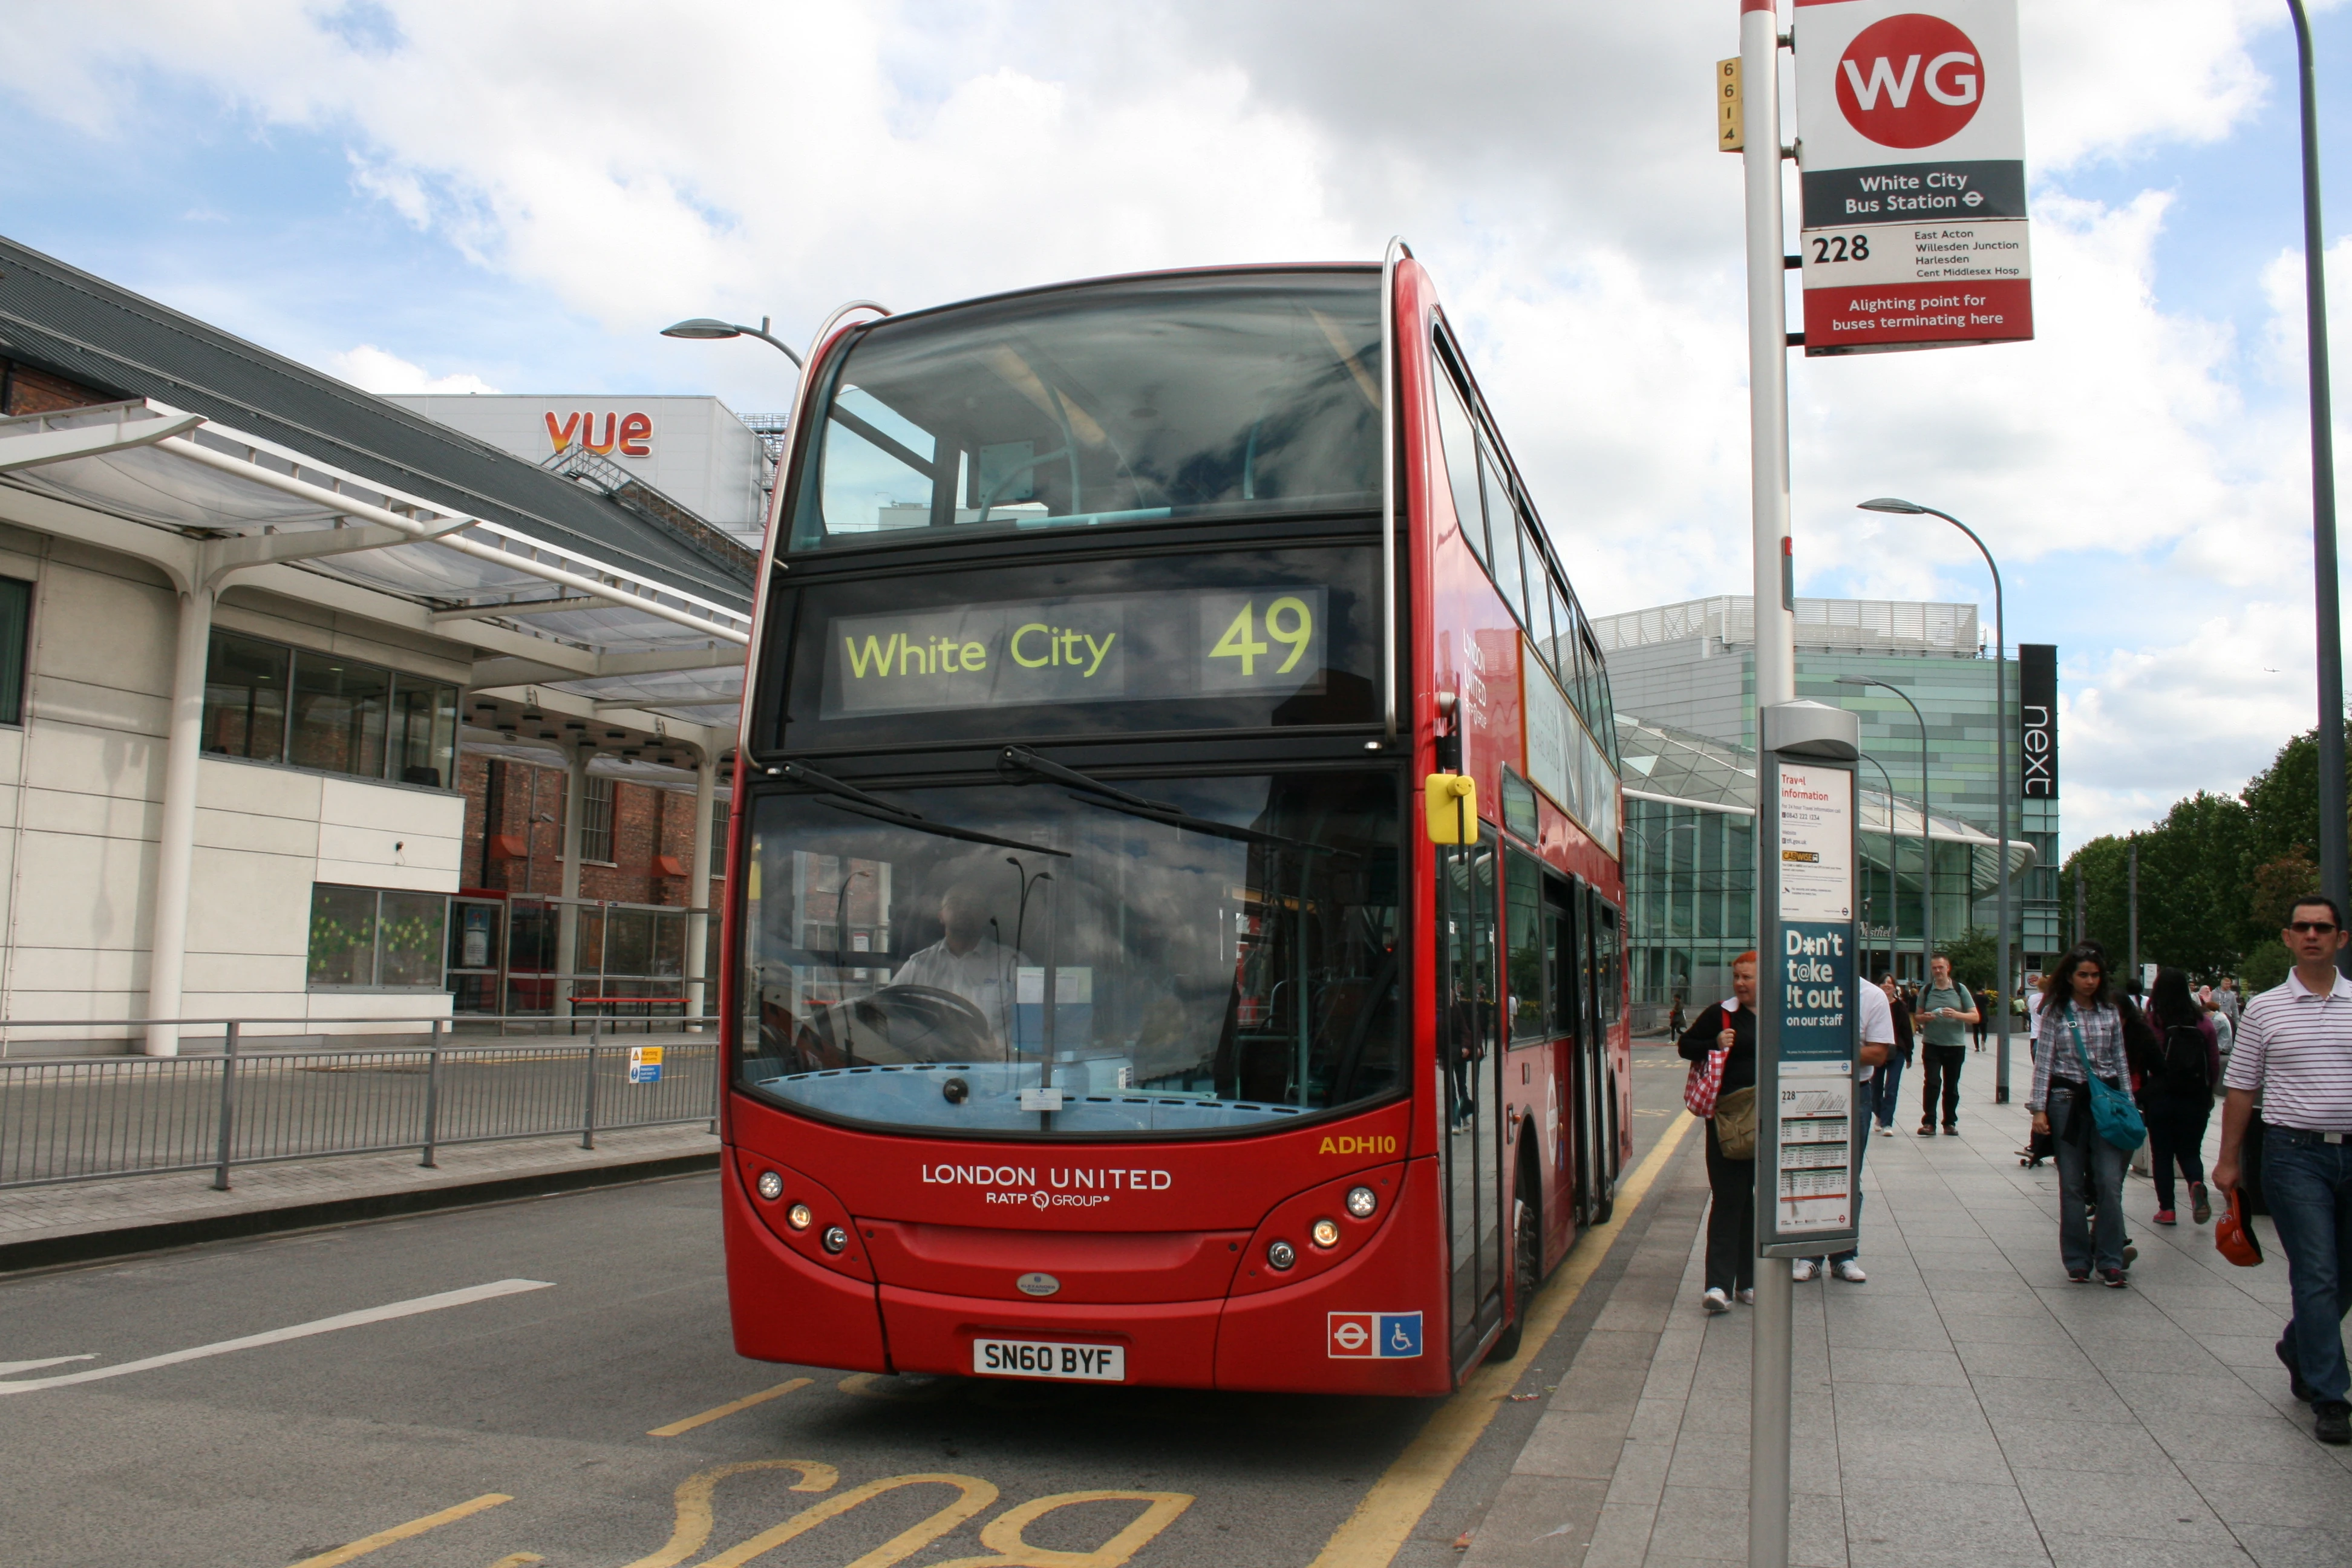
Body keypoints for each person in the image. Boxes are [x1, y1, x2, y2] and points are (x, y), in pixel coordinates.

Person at [2213, 895, 2352, 1447]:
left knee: (2346, 1274)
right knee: (2316, 1270)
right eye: (2303, 927)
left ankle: (2299, 1346)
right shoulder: (2266, 1009)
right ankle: (2331, 1395)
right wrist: (2228, 1161)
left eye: (2323, 927)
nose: (2313, 935)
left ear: (2341, 938)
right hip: (2295, 1155)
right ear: (2288, 938)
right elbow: (2242, 1088)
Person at [2030, 946, 2134, 1286]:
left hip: (2106, 1102)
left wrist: (2129, 1106)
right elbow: (2044, 1061)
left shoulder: (2109, 1012)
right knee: (2071, 1184)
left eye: (2095, 975)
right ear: (2070, 977)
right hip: (2066, 1101)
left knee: (2109, 1182)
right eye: (2083, 975)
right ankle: (2076, 1259)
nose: (2090, 981)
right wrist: (2039, 1109)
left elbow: (2120, 1061)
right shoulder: (2057, 1012)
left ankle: (2111, 1258)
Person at [1795, 971, 1895, 1284]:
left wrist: (1824, 1046)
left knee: (1849, 1176)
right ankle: (1809, 1254)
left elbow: (1879, 1053)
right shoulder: (1804, 991)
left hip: (1855, 1092)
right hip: (1810, 1090)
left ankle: (1844, 1254)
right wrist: (1845, 1048)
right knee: (1811, 1174)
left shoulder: (1872, 996)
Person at [1680, 952, 1758, 1314]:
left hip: (1771, 1121)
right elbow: (1686, 1046)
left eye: (1748, 978)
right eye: (1737, 977)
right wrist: (1715, 1041)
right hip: (1730, 1123)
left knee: (1755, 1202)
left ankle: (1750, 1281)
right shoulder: (1721, 1014)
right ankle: (1718, 1286)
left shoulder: (1785, 1015)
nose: (1741, 984)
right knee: (1729, 1198)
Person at [892, 881, 1021, 1047]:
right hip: (930, 1068)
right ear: (941, 915)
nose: (963, 909)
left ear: (986, 915)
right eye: (955, 903)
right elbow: (889, 1013)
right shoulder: (918, 965)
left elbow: (1038, 1026)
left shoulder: (1013, 964)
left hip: (995, 1069)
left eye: (972, 904)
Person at [2139, 966, 2220, 1226]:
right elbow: (2214, 1062)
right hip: (2194, 1096)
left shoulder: (2153, 1022)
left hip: (2161, 1094)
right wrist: (2208, 1092)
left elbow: (2140, 1058)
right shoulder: (2203, 1022)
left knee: (2162, 1154)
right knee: (2190, 1151)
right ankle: (2196, 1183)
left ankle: (2168, 1210)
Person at [1916, 955, 1978, 1135]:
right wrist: (1925, 1018)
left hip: (1955, 1045)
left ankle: (1949, 1122)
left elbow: (1975, 1016)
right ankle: (1929, 1123)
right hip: (1932, 1044)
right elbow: (1917, 1017)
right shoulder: (1927, 991)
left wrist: (1957, 1015)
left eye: (1941, 968)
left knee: (1951, 1086)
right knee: (1932, 1082)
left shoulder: (1959, 990)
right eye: (1934, 968)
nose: (1938, 971)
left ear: (1948, 968)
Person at [1872, 974, 1913, 1136]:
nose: (1887, 986)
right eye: (1884, 983)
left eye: (1890, 983)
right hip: (1877, 1050)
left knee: (1891, 1087)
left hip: (1897, 1052)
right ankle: (1880, 1114)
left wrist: (1909, 1054)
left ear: (1895, 987)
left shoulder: (1900, 1006)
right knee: (1875, 1087)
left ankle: (1887, 1123)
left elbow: (1907, 1032)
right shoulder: (1873, 1005)